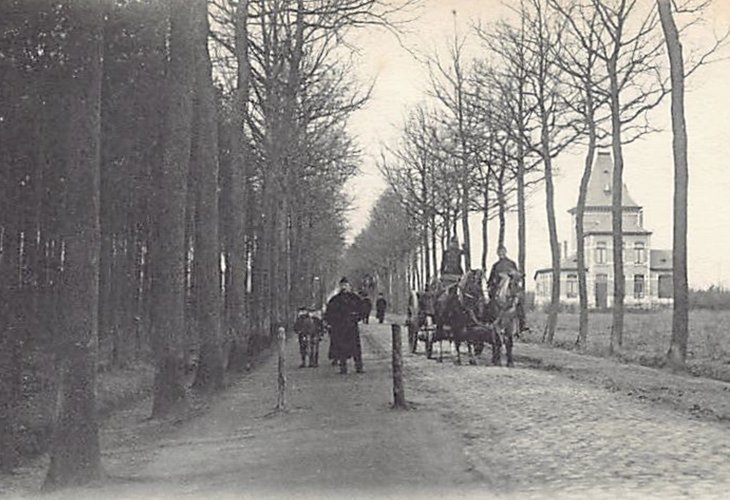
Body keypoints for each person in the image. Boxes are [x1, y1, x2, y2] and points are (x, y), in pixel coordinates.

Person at [324, 277, 364, 374]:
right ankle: (343, 367)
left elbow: (362, 309)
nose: (344, 287)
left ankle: (359, 367)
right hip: (340, 327)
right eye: (342, 285)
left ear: (349, 286)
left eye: (346, 285)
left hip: (352, 326)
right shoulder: (335, 300)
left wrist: (357, 317)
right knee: (341, 348)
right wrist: (332, 322)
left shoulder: (354, 298)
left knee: (356, 348)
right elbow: (329, 313)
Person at [487, 245, 528, 332]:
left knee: (519, 302)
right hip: (498, 287)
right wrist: (490, 285)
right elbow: (491, 279)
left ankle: (522, 323)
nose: (501, 253)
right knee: (491, 301)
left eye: (502, 251)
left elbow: (517, 276)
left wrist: (514, 276)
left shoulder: (512, 263)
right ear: (497, 253)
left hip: (510, 286)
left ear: (505, 252)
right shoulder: (495, 265)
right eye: (499, 252)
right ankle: (489, 320)